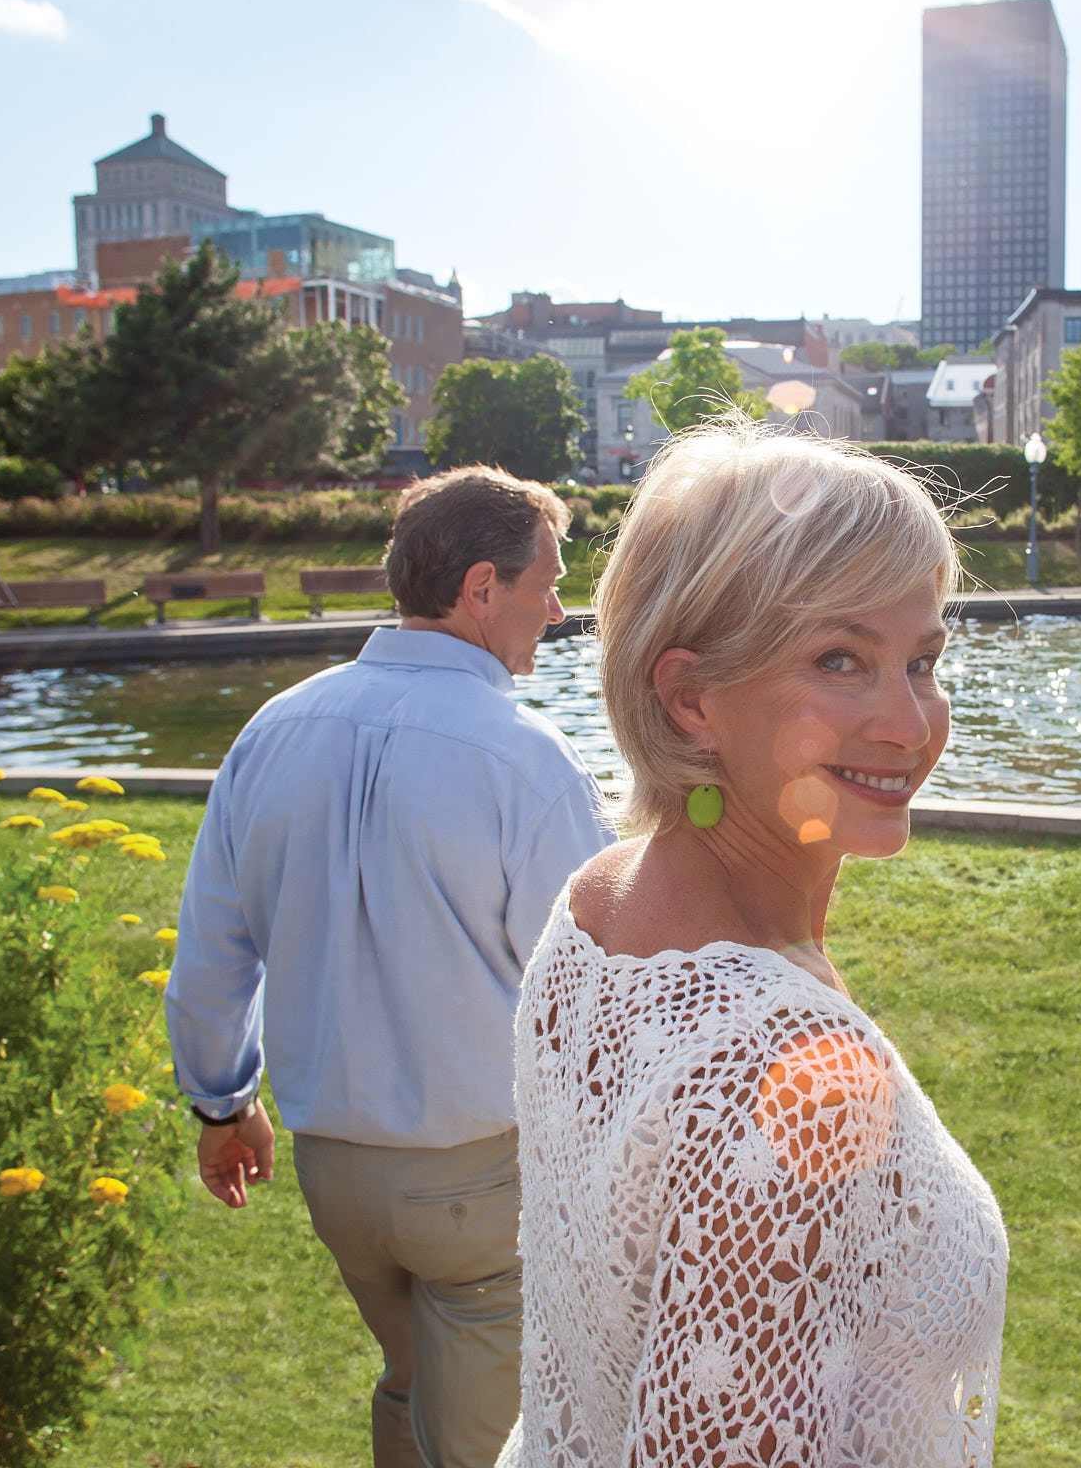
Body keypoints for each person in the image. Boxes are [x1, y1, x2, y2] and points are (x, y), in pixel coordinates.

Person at [504, 423, 1008, 1467]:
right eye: (842, 660)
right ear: (690, 695)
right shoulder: (794, 1072)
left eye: (923, 660)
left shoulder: (596, 913)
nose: (911, 723)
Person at [166, 466, 613, 1468]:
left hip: (335, 1173)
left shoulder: (271, 731)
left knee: (412, 1387)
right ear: (482, 588)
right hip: (478, 1176)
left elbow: (209, 958)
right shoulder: (526, 758)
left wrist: (221, 1104)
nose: (558, 606)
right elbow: (596, 998)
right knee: (487, 1443)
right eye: (547, 581)